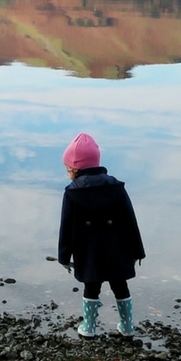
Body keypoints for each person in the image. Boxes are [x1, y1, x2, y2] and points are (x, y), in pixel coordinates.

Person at [57, 132, 145, 338]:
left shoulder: (72, 192)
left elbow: (66, 227)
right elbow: (130, 220)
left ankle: (88, 327)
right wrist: (137, 251)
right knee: (120, 285)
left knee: (91, 286)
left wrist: (63, 256)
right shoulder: (116, 187)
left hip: (88, 250)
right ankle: (127, 326)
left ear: (73, 167)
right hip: (118, 248)